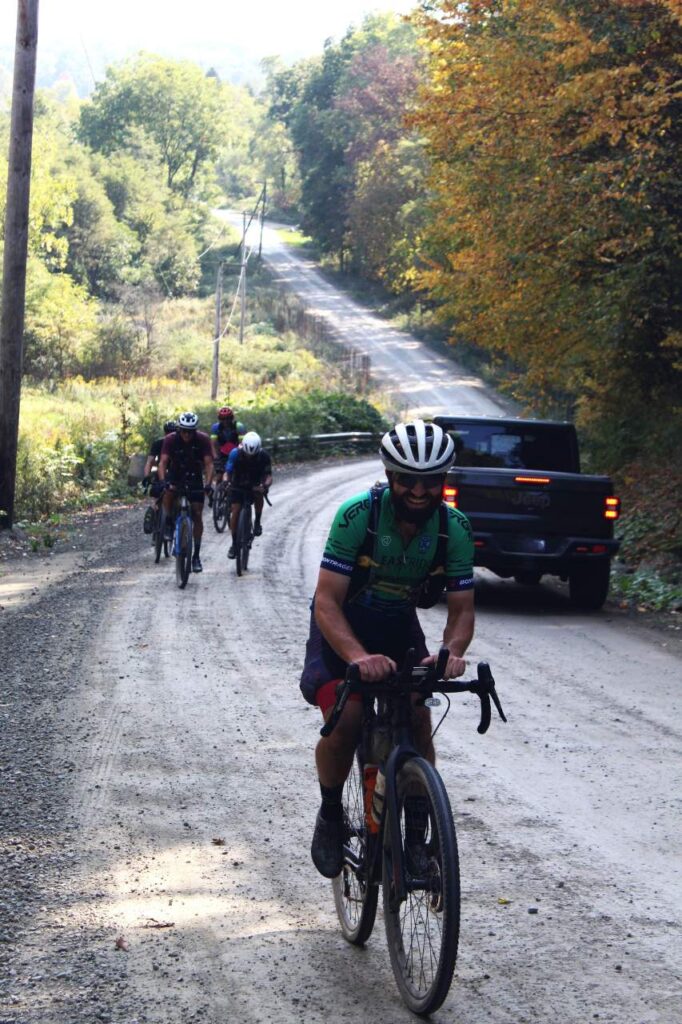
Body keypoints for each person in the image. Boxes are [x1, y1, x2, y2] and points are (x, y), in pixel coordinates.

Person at [300, 419, 475, 878]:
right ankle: (331, 815)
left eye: (431, 481)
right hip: (343, 626)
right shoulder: (358, 515)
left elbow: (461, 611)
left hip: (398, 626)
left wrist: (449, 653)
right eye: (408, 480)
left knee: (418, 717)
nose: (419, 491)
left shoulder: (453, 527)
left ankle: (417, 840)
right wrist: (358, 657)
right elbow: (327, 601)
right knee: (349, 718)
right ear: (390, 476)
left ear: (443, 481)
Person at [157, 412, 213, 573]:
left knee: (197, 514)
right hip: (175, 474)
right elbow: (163, 462)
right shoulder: (170, 439)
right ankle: (168, 521)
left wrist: (208, 484)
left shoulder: (203, 439)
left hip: (194, 476)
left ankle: (196, 555)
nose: (187, 435)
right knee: (168, 493)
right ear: (179, 429)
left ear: (195, 431)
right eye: (184, 431)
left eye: (191, 431)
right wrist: (163, 482)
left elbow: (209, 464)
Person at [226, 431, 273, 558]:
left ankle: (257, 522)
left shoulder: (264, 456)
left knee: (259, 495)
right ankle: (234, 544)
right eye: (247, 455)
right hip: (238, 483)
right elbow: (228, 472)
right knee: (235, 510)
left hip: (255, 483)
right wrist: (227, 483)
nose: (250, 457)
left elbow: (269, 476)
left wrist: (264, 486)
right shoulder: (235, 454)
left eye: (253, 455)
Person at [142, 420, 175, 536]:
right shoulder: (158, 443)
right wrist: (146, 477)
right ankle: (154, 519)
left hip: (173, 472)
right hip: (161, 471)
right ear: (165, 432)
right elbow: (149, 462)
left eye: (172, 432)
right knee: (156, 495)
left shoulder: (178, 443)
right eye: (168, 432)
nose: (170, 434)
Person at [209, 407, 246, 502]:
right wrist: (215, 457)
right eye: (222, 419)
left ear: (232, 418)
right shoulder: (215, 428)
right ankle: (217, 497)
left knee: (235, 474)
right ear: (219, 419)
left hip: (236, 453)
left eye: (228, 418)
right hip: (222, 454)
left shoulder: (239, 427)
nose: (225, 421)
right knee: (219, 475)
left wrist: (241, 454)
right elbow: (213, 444)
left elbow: (242, 443)